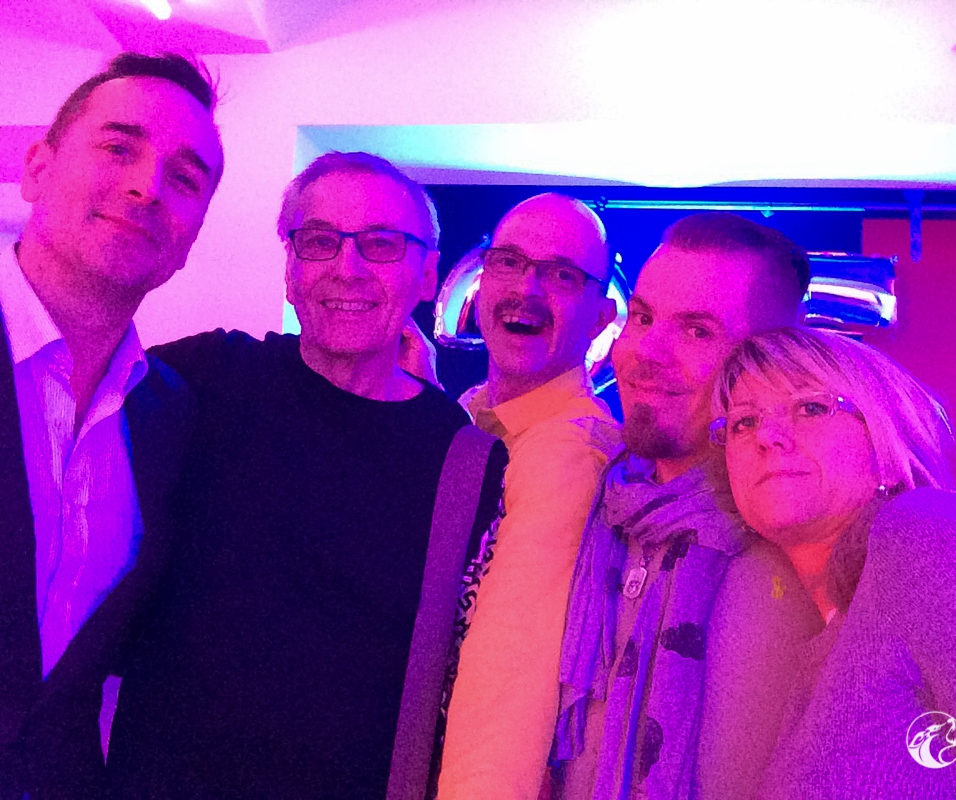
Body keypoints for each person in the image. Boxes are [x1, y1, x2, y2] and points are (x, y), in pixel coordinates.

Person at [105, 152, 507, 798]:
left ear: (428, 274)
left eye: (381, 244)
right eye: (320, 241)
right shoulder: (204, 379)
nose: (347, 268)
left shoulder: (468, 465)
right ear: (291, 269)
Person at [710, 326, 956, 798]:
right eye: (743, 422)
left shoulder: (924, 538)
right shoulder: (802, 661)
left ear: (886, 441)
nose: (767, 436)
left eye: (810, 407)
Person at [0, 52, 223, 797]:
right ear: (36, 169)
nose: (146, 187)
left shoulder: (168, 414)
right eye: (119, 147)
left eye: (184, 179)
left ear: (191, 238)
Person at [553, 213, 824, 799]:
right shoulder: (584, 495)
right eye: (643, 317)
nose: (647, 351)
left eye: (697, 332)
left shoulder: (808, 551)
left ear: (770, 361)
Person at [437, 194, 621, 800]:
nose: (527, 289)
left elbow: (508, 684)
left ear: (601, 317)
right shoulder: (469, 419)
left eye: (562, 275)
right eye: (509, 262)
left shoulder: (570, 451)